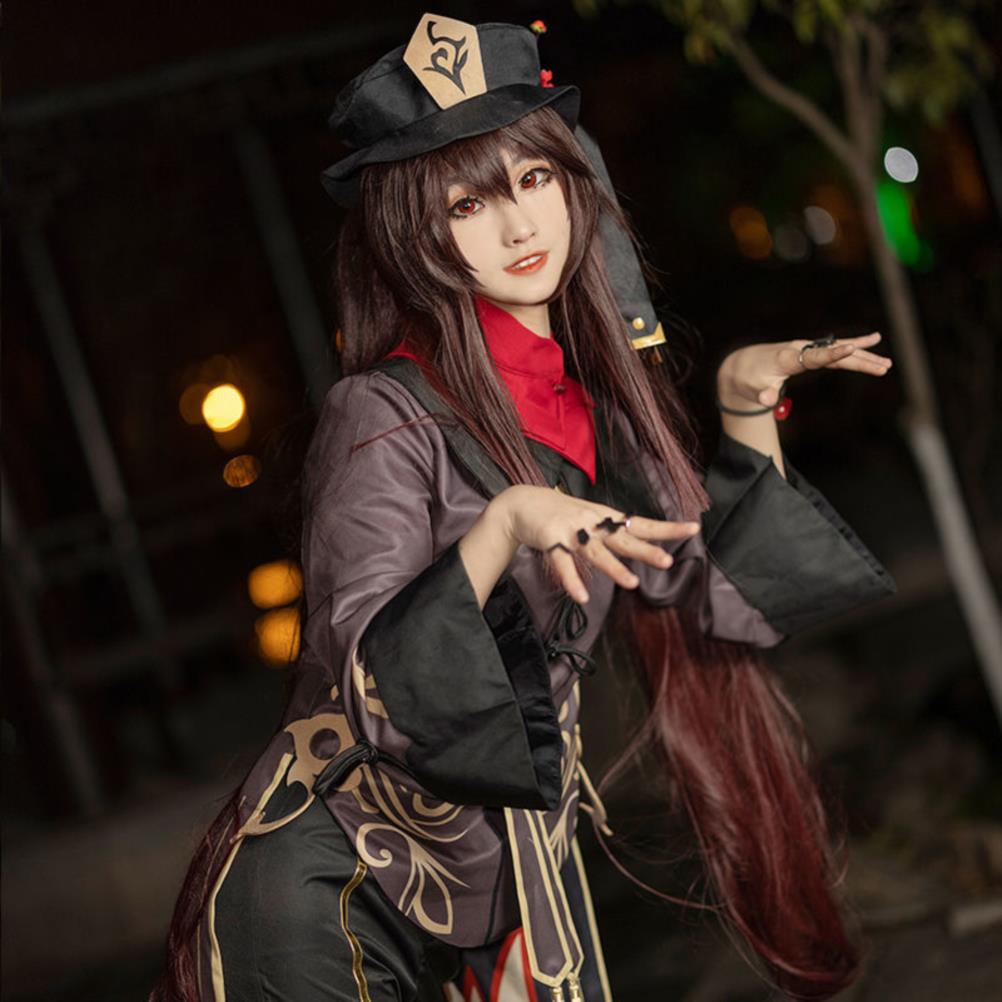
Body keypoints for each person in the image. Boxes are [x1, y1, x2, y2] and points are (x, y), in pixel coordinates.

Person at [151, 13, 897, 1002]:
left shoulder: (591, 413)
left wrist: (745, 408)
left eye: (536, 178)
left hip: (498, 884)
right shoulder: (382, 413)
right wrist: (504, 525)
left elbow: (723, 598)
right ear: (416, 235)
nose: (518, 227)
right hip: (333, 891)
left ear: (575, 184)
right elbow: (365, 672)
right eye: (469, 202)